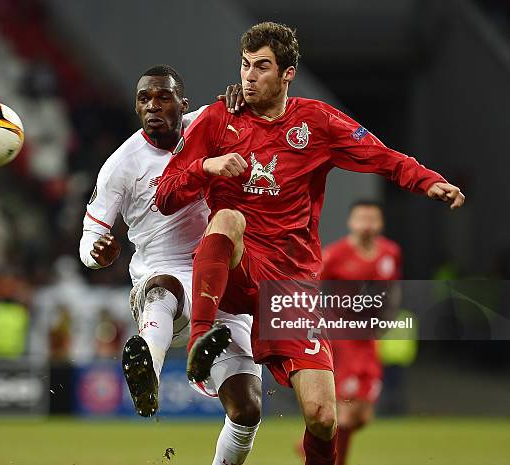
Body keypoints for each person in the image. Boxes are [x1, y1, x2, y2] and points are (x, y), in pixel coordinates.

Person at [155, 22, 465, 465]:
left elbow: (381, 156)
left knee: (323, 417)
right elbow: (165, 196)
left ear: (287, 74)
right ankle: (201, 343)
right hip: (237, 267)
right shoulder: (216, 119)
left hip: (291, 285)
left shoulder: (315, 122)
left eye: (262, 67)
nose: (249, 76)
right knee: (227, 217)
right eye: (244, 66)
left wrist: (427, 181)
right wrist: (207, 166)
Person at [79, 65, 262, 465]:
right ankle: (149, 373)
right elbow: (89, 238)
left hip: (222, 281)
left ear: (184, 103)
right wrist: (98, 253)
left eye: (163, 97)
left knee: (247, 410)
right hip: (164, 284)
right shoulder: (120, 165)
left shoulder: (208, 124)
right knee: (165, 287)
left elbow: (253, 111)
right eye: (144, 98)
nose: (152, 106)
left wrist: (241, 99)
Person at [320, 200, 403, 465]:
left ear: (380, 223)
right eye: (361, 219)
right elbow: (306, 285)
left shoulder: (390, 252)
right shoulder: (334, 255)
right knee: (345, 412)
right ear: (351, 222)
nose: (367, 225)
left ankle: (309, 445)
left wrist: (387, 317)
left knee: (363, 416)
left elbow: (393, 290)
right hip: (342, 338)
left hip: (369, 339)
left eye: (372, 219)